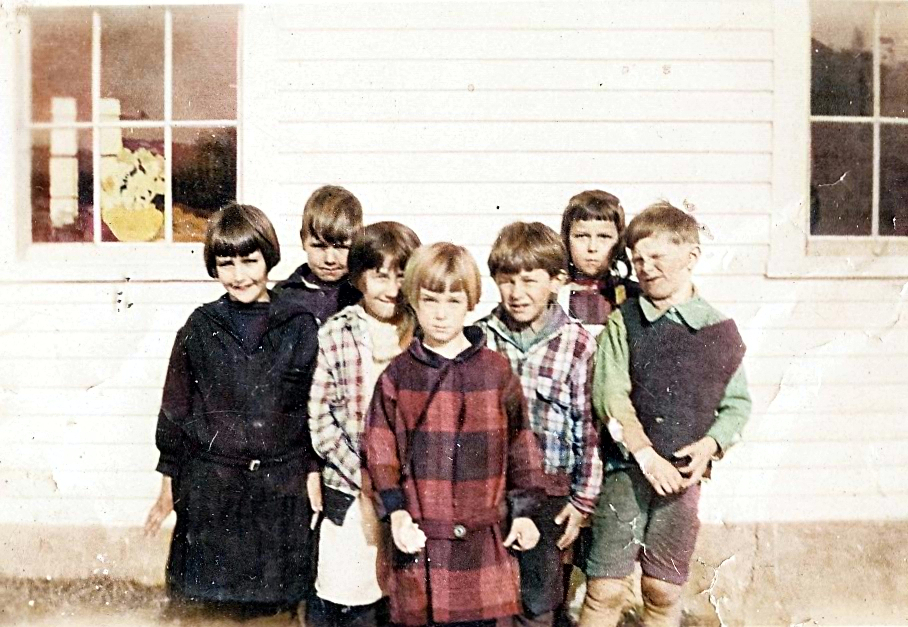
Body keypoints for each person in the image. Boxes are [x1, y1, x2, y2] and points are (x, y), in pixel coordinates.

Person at [144, 203, 320, 621]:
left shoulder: (298, 326)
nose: (239, 275)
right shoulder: (200, 328)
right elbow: (175, 409)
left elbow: (313, 407)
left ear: (269, 258)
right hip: (212, 490)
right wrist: (168, 484)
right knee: (207, 607)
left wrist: (313, 469)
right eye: (227, 263)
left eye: (249, 260)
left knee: (273, 610)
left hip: (279, 492)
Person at [579, 202, 752, 627]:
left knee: (662, 589)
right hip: (627, 472)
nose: (646, 268)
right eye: (638, 259)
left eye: (658, 257)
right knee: (605, 590)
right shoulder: (625, 322)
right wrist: (645, 454)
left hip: (681, 482)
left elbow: (737, 404)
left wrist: (711, 444)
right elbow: (611, 397)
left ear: (691, 257)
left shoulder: (719, 330)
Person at [363, 242, 546, 627]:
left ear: (471, 302)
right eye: (430, 301)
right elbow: (380, 454)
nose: (441, 314)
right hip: (420, 543)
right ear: (413, 300)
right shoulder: (398, 376)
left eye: (453, 301)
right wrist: (396, 514)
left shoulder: (496, 372)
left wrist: (526, 512)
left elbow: (522, 447)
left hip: (481, 545)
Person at [475, 222, 602, 627]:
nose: (517, 293)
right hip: (490, 489)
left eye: (530, 280)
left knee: (540, 602)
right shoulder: (478, 337)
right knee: (491, 597)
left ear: (556, 281)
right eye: (507, 280)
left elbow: (588, 427)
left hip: (551, 491)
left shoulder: (577, 344)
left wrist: (583, 502)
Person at [307, 222, 422, 627]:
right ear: (359, 278)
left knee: (405, 597)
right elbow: (321, 418)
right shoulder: (337, 332)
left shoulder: (423, 333)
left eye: (401, 274)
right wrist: (363, 475)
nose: (391, 287)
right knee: (350, 595)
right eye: (380, 275)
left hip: (412, 493)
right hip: (351, 489)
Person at [275, 185, 364, 325]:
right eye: (319, 246)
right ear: (303, 240)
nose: (329, 259)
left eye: (341, 247)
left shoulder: (363, 294)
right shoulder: (283, 295)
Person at [558, 190, 640, 332]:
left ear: (619, 241)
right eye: (581, 236)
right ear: (567, 239)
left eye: (604, 237)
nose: (592, 248)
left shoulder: (635, 295)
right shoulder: (553, 294)